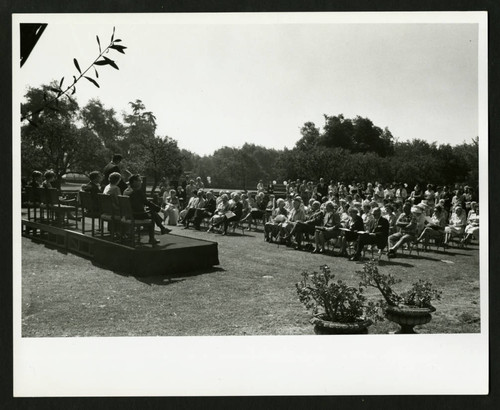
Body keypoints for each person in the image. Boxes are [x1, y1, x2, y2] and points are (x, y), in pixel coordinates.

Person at [123, 174, 171, 244]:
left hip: (129, 214)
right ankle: (153, 237)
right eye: (139, 180)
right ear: (134, 182)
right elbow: (147, 202)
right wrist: (161, 210)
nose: (141, 182)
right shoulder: (138, 192)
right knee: (152, 214)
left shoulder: (126, 191)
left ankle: (162, 228)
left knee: (152, 212)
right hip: (136, 214)